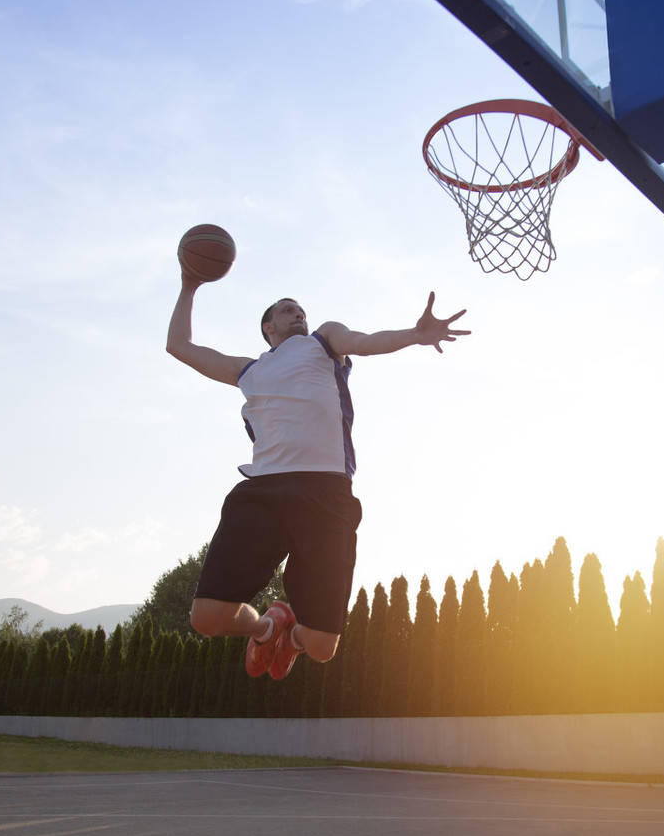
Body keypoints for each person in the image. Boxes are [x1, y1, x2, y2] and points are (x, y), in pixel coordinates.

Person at [166, 270, 469, 680]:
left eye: (301, 310)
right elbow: (179, 346)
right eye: (287, 311)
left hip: (325, 493)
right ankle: (266, 627)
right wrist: (189, 285)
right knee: (206, 618)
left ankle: (290, 641)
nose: (299, 314)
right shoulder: (248, 371)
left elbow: (363, 342)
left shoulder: (324, 342)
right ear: (268, 327)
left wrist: (413, 334)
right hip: (263, 491)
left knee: (323, 648)